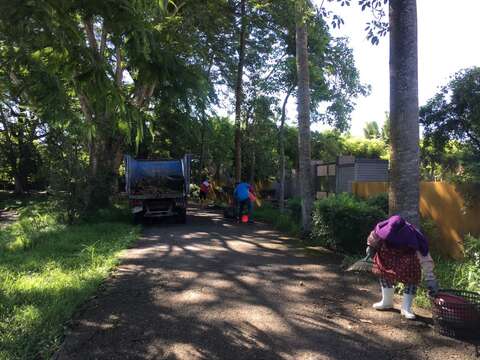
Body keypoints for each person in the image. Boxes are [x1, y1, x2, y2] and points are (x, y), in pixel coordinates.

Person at [366, 215, 439, 320]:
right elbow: (372, 238)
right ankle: (387, 301)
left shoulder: (415, 236)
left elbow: (425, 257)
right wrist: (370, 247)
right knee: (382, 271)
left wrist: (430, 278)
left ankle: (406, 307)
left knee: (412, 279)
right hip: (387, 261)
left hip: (408, 264)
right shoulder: (380, 228)